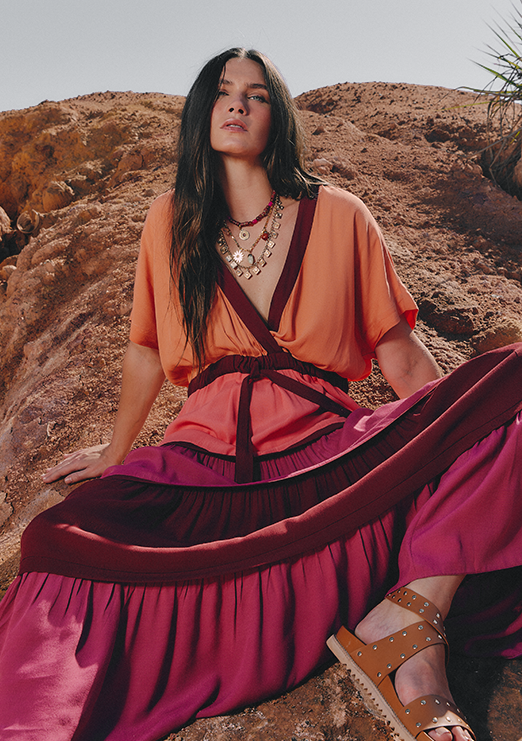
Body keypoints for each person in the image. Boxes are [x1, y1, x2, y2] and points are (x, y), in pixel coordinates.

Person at [0, 47, 520, 741]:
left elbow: (397, 352)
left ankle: (411, 629)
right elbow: (148, 348)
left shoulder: (341, 214)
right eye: (222, 91)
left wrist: (448, 435)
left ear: (280, 116)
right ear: (200, 111)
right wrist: (117, 451)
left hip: (326, 449)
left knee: (511, 380)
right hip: (201, 456)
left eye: (257, 94)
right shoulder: (169, 219)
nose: (239, 104)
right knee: (56, 540)